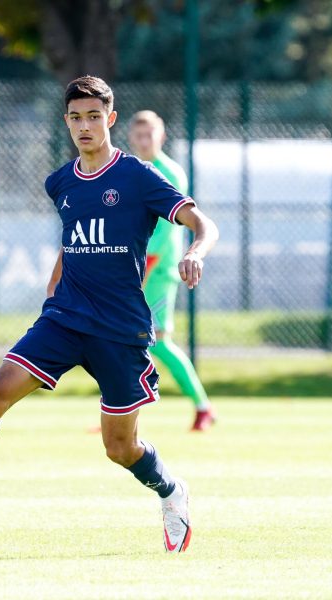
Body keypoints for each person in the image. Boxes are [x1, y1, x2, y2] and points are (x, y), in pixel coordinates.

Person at [0, 76, 218, 553]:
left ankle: (171, 490)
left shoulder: (139, 177)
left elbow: (202, 223)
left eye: (93, 117)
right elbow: (74, 236)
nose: (84, 126)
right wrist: (55, 284)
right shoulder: (61, 182)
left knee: (119, 448)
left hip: (120, 330)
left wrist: (198, 251)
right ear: (66, 122)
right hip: (64, 317)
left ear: (110, 119)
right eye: (75, 117)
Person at [128, 110, 216, 431]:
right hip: (136, 268)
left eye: (148, 134)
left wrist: (146, 266)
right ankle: (120, 413)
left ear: (161, 136)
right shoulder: (133, 170)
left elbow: (166, 231)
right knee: (123, 339)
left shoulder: (170, 173)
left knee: (158, 342)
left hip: (157, 272)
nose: (143, 140)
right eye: (138, 135)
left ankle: (203, 405)